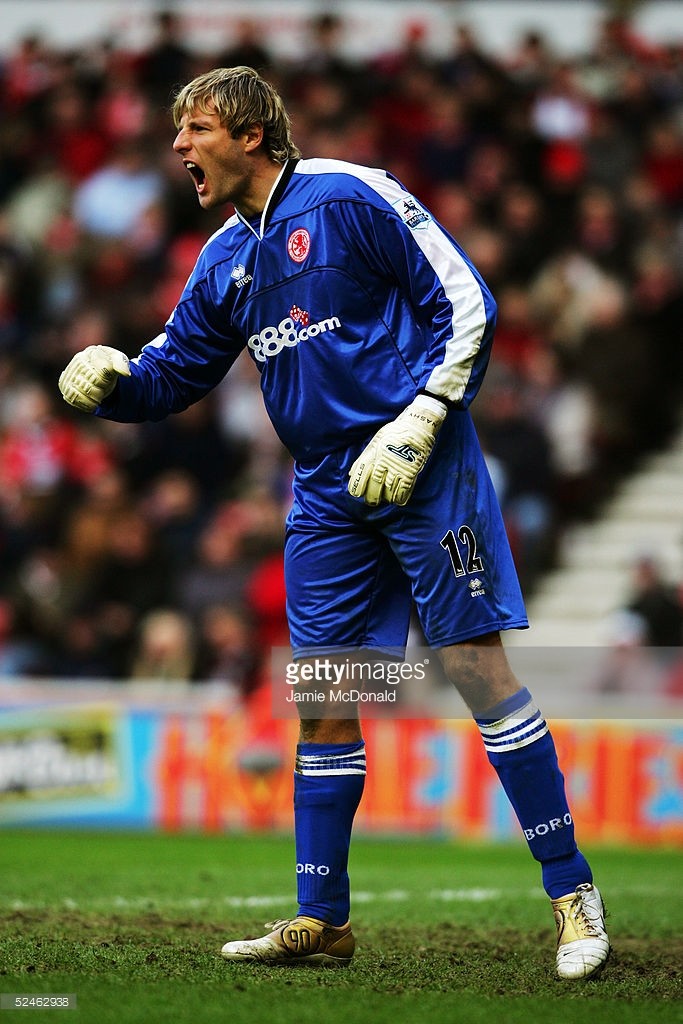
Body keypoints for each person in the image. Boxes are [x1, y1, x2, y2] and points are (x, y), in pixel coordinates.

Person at [58, 66, 609, 980]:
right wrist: (112, 382)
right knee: (323, 696)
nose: (178, 147)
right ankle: (324, 919)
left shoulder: (352, 196)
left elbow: (466, 302)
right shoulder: (223, 260)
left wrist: (422, 417)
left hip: (421, 464)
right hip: (324, 493)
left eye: (194, 128)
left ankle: (572, 895)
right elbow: (172, 375)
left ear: (248, 133)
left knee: (475, 673)